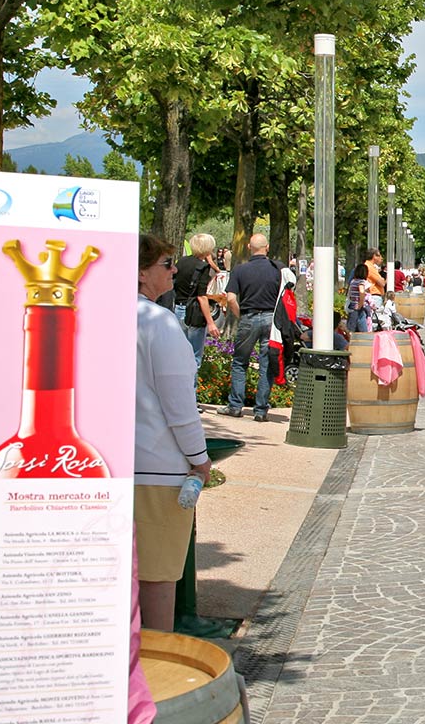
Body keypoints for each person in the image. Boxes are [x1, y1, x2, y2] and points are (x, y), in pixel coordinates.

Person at [134, 233, 212, 632]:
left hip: (118, 460)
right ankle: (157, 667)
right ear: (143, 273)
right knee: (158, 577)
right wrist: (199, 458)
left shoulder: (107, 316)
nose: (174, 270)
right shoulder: (158, 323)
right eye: (167, 264)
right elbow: (178, 402)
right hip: (159, 465)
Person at [222, 234, 283, 421]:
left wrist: (241, 315)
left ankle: (235, 406)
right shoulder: (277, 269)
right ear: (267, 247)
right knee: (266, 363)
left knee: (240, 362)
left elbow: (231, 298)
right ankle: (260, 410)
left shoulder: (240, 270)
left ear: (249, 246)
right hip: (270, 319)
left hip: (249, 316)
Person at [173, 234, 222, 366]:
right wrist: (211, 322)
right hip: (194, 312)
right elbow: (202, 296)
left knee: (179, 354)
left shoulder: (181, 261)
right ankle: (191, 386)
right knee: (194, 357)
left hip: (178, 308)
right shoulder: (203, 267)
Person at [347, 264, 370, 333]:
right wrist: (360, 304)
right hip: (357, 307)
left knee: (352, 324)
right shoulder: (361, 282)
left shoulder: (353, 281)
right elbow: (362, 292)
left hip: (352, 305)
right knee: (356, 324)